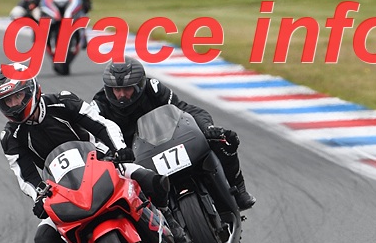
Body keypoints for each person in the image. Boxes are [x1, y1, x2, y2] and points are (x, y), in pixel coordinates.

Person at [0, 63, 173, 243]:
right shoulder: (10, 137)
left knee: (152, 181)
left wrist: (119, 149)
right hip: (61, 189)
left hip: (102, 161)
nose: (14, 104)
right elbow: (25, 175)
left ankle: (168, 220)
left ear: (32, 89)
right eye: (7, 101)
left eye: (18, 96)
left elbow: (101, 124)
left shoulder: (62, 101)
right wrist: (39, 197)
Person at [92, 58, 256, 213]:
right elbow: (93, 140)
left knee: (225, 139)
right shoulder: (99, 106)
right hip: (133, 158)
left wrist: (208, 128)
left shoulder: (153, 88)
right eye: (117, 90)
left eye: (127, 89)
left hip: (167, 140)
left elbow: (185, 109)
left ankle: (239, 191)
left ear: (139, 86)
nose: (121, 95)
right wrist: (112, 154)